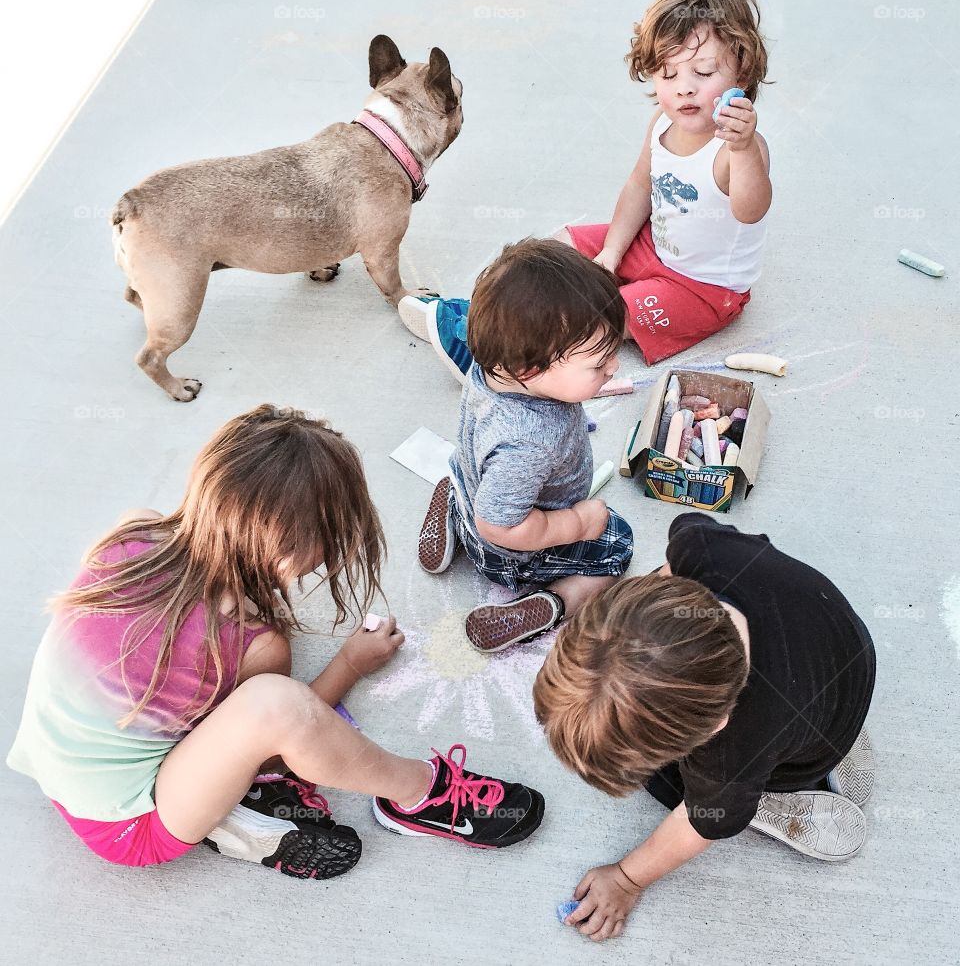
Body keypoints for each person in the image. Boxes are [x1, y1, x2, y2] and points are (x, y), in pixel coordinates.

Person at [7, 405, 544, 876]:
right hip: (131, 824)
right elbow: (281, 744)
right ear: (290, 559)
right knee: (276, 705)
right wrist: (350, 664)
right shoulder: (252, 645)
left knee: (256, 704)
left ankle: (245, 816)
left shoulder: (133, 533)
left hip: (58, 773)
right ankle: (414, 795)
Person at [398, 0, 772, 379]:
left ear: (743, 71)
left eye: (702, 72)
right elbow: (640, 187)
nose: (684, 89)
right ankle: (485, 315)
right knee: (555, 249)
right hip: (654, 244)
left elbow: (750, 211)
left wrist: (743, 149)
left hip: (701, 290)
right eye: (667, 74)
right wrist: (611, 253)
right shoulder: (663, 123)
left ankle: (496, 361)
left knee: (602, 317)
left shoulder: (737, 148)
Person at [533, 512, 876, 943]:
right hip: (842, 652)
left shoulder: (733, 749)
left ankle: (760, 800)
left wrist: (626, 879)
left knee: (680, 791)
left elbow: (699, 824)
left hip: (805, 739)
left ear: (714, 725)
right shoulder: (699, 546)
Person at [416, 239, 634, 652]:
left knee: (475, 484)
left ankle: (451, 507)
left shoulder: (492, 366)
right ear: (529, 369)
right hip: (508, 549)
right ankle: (551, 603)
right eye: (598, 362)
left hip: (473, 486)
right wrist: (574, 524)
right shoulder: (529, 443)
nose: (614, 366)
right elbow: (499, 525)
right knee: (617, 545)